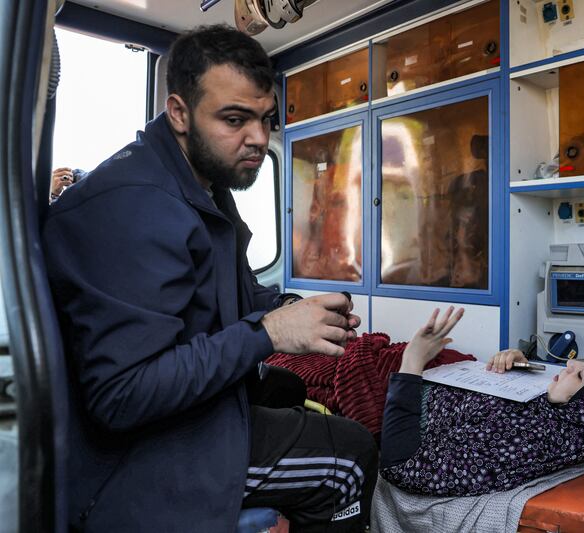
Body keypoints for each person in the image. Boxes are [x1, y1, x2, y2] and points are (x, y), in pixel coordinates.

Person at [43, 25, 377, 533]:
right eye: (235, 120)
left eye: (266, 120)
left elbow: (238, 294)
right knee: (350, 455)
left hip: (182, 419)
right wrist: (270, 333)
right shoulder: (135, 208)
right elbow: (122, 395)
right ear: (179, 112)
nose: (260, 140)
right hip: (132, 459)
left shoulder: (203, 183)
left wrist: (291, 307)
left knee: (286, 388)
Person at [379, 307, 584, 496]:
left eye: (581, 374)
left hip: (398, 394)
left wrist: (413, 359)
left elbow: (402, 466)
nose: (570, 366)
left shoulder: (525, 442)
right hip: (435, 374)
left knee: (355, 358)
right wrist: (518, 371)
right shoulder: (567, 420)